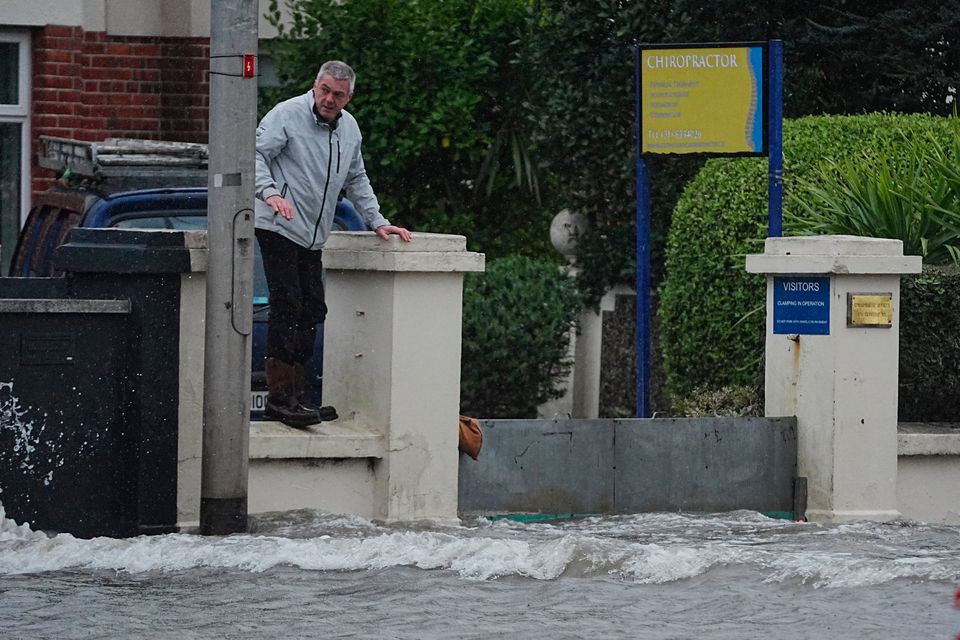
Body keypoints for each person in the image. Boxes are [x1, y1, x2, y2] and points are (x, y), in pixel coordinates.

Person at [254, 60, 412, 428]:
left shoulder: (350, 129)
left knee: (312, 308)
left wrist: (378, 221)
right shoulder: (287, 114)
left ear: (348, 97)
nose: (328, 99)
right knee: (288, 302)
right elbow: (256, 155)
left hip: (312, 233)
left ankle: (297, 395)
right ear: (315, 85)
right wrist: (270, 193)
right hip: (277, 223)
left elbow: (357, 178)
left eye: (337, 94)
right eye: (324, 90)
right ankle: (279, 398)